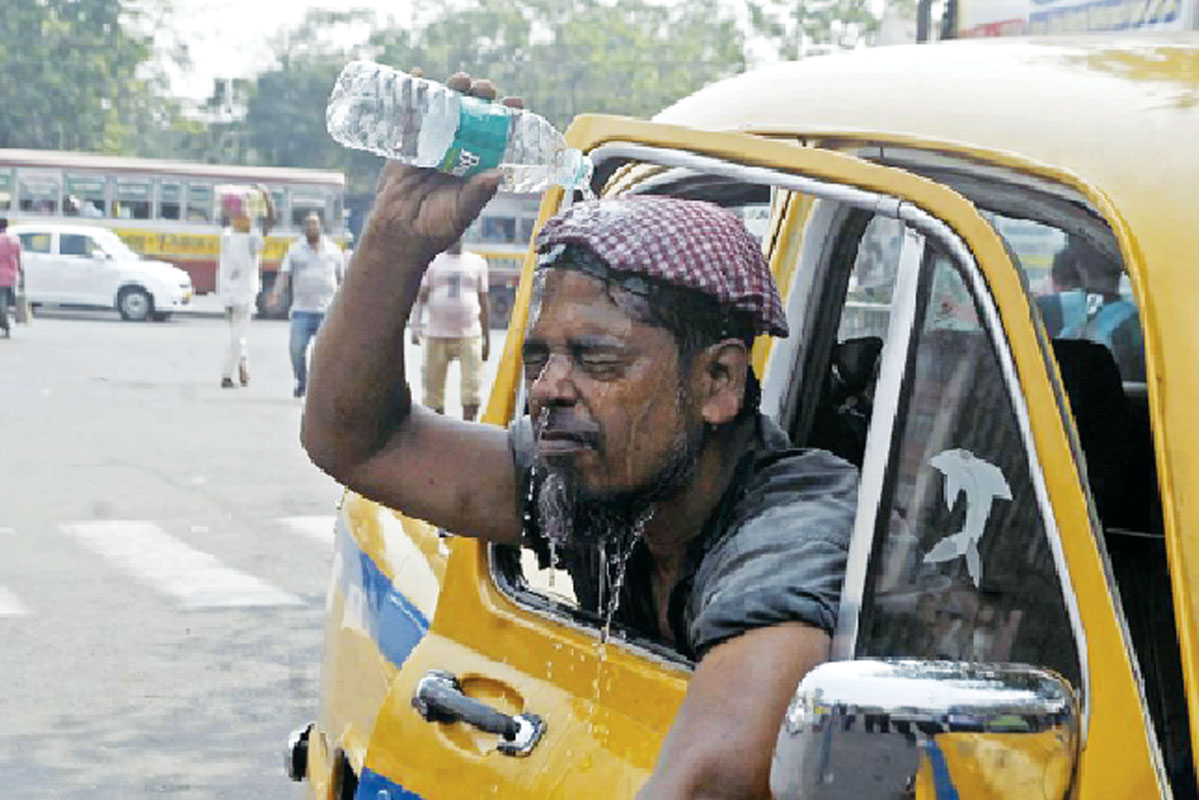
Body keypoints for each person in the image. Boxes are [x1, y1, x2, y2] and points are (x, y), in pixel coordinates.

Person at [303, 113, 858, 795]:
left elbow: (716, 779)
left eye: (596, 359)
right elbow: (360, 440)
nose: (548, 388)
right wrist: (394, 239)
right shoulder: (601, 476)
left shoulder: (795, 519)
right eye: (541, 356)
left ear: (718, 382)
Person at [409, 238, 490, 420]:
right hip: (436, 335)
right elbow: (421, 298)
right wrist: (415, 327)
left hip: (469, 335)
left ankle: (469, 429)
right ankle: (440, 432)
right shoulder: (433, 262)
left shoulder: (477, 263)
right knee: (432, 391)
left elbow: (484, 302)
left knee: (472, 388)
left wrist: (487, 340)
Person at [268, 212, 344, 398]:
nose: (312, 227)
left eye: (315, 224)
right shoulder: (295, 250)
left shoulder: (334, 251)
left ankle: (320, 387)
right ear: (303, 228)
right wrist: (276, 294)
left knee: (326, 354)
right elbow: (284, 275)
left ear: (321, 226)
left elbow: (343, 279)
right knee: (296, 350)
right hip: (302, 310)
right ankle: (302, 381)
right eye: (308, 224)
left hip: (327, 311)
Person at [217, 202, 269, 388]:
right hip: (236, 294)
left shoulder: (241, 238)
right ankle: (227, 375)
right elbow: (223, 221)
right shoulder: (236, 237)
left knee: (238, 335)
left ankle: (242, 366)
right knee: (237, 337)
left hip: (237, 293)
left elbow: (268, 224)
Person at [0, 218, 21, 338]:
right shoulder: (15, 240)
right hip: (11, 276)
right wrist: (20, 272)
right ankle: (5, 325)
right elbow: (18, 258)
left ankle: (5, 324)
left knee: (2, 303)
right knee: (6, 301)